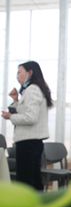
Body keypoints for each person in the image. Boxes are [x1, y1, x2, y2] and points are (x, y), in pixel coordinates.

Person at [1, 61, 52, 191]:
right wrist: (16, 100)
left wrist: (10, 117)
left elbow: (30, 117)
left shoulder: (32, 90)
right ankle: (37, 206)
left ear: (30, 73)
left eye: (20, 72)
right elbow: (25, 111)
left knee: (26, 181)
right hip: (31, 142)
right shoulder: (31, 90)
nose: (17, 76)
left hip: (28, 143)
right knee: (32, 179)